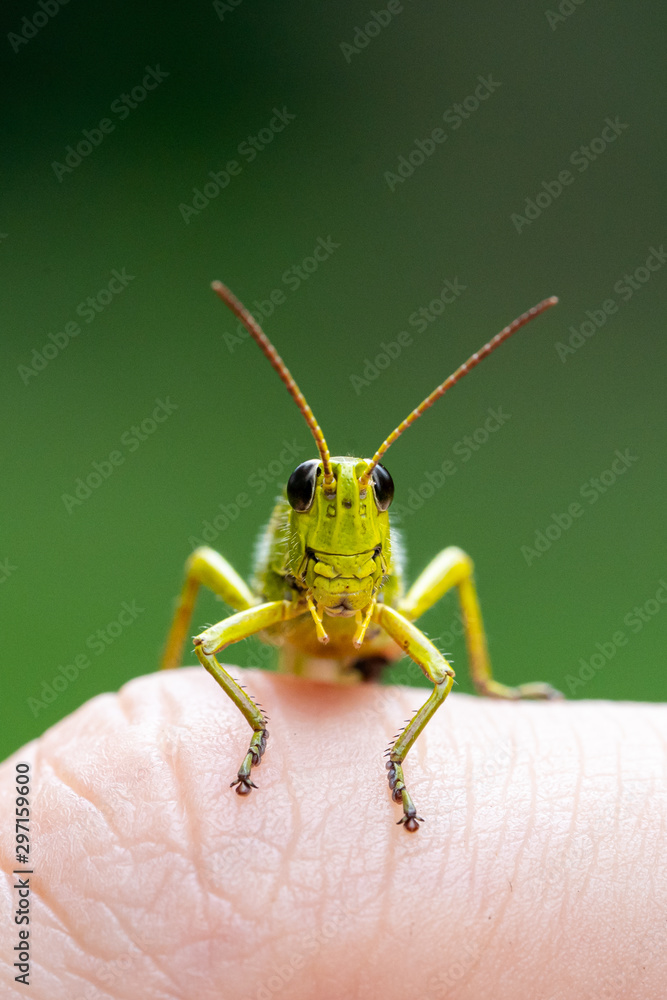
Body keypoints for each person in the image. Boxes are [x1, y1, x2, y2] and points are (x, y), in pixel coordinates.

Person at [1, 665, 665, 999]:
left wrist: (398, 763)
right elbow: (213, 643)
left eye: (376, 490)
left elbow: (441, 675)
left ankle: (479, 690)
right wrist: (246, 728)